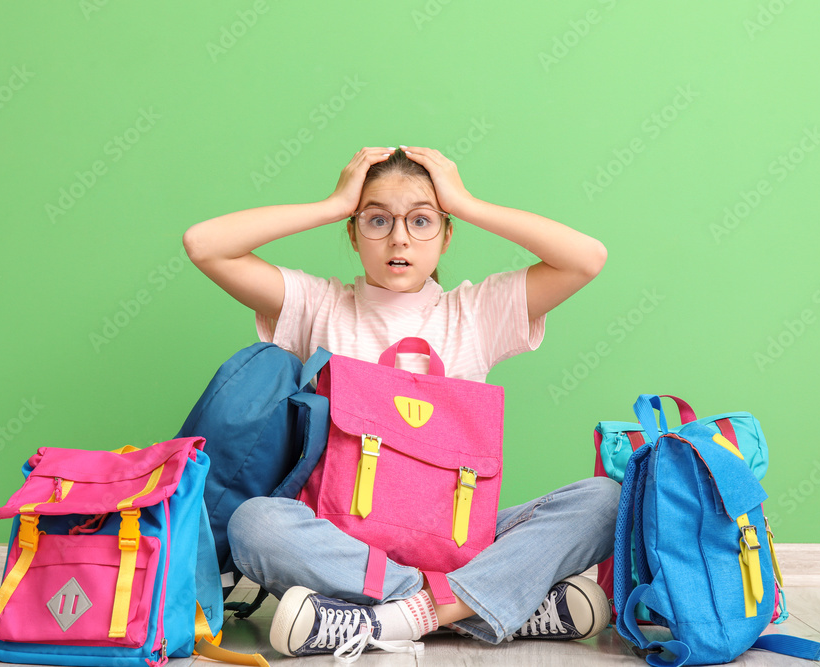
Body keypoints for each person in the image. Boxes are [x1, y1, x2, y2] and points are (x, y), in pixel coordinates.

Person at [183, 145, 622, 661]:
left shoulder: (474, 313)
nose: (399, 239)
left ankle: (396, 618)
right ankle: (478, 606)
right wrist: (332, 203)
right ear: (352, 231)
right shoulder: (318, 305)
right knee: (255, 524)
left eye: (421, 222)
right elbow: (204, 245)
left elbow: (587, 257)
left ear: (446, 233)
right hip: (343, 544)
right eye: (376, 220)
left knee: (606, 499)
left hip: (460, 539)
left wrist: (466, 201)